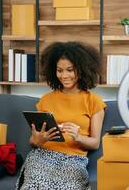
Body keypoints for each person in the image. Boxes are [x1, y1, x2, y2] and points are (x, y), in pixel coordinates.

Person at [16, 41, 106, 190]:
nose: (64, 75)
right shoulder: (45, 100)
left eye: (70, 70)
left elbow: (95, 143)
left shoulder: (94, 101)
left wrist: (78, 137)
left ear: (81, 70)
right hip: (42, 156)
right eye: (59, 70)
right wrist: (38, 140)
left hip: (74, 160)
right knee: (34, 185)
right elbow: (33, 141)